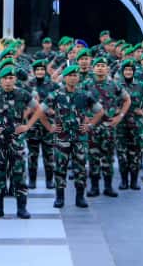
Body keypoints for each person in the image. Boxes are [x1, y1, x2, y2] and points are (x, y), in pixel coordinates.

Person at [0, 66, 50, 219]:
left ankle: (21, 208)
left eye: (11, 78)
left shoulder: (22, 94)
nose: (8, 81)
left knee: (19, 175)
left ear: (15, 79)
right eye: (5, 78)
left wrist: (28, 125)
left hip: (17, 141)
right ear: (0, 80)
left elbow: (39, 109)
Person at [42, 65, 104, 208]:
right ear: (64, 78)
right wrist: (49, 126)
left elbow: (100, 112)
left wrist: (90, 125)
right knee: (60, 167)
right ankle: (59, 197)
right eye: (70, 75)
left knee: (80, 168)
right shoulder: (56, 94)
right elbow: (40, 110)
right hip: (61, 138)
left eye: (75, 75)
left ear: (78, 78)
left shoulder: (85, 94)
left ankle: (80, 197)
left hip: (79, 137)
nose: (73, 78)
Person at [86, 57, 130, 198]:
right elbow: (78, 100)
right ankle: (94, 187)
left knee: (108, 158)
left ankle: (108, 187)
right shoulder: (86, 84)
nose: (100, 68)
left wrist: (120, 116)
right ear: (93, 68)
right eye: (97, 65)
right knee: (93, 157)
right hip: (92, 126)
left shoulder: (114, 85)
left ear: (107, 69)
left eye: (102, 65)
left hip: (109, 127)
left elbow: (127, 99)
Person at [116, 59, 143, 190]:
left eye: (130, 70)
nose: (128, 72)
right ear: (122, 72)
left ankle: (134, 181)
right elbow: (108, 101)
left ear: (134, 72)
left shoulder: (141, 85)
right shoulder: (116, 85)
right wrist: (114, 111)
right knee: (122, 153)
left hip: (136, 123)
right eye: (126, 70)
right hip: (121, 124)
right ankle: (124, 181)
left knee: (135, 153)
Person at [27, 60, 59, 189]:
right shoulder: (28, 85)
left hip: (48, 124)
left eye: (42, 69)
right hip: (33, 124)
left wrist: (54, 111)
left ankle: (49, 180)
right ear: (34, 71)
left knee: (49, 153)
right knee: (32, 154)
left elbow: (59, 101)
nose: (40, 71)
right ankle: (32, 180)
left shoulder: (53, 85)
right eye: (37, 69)